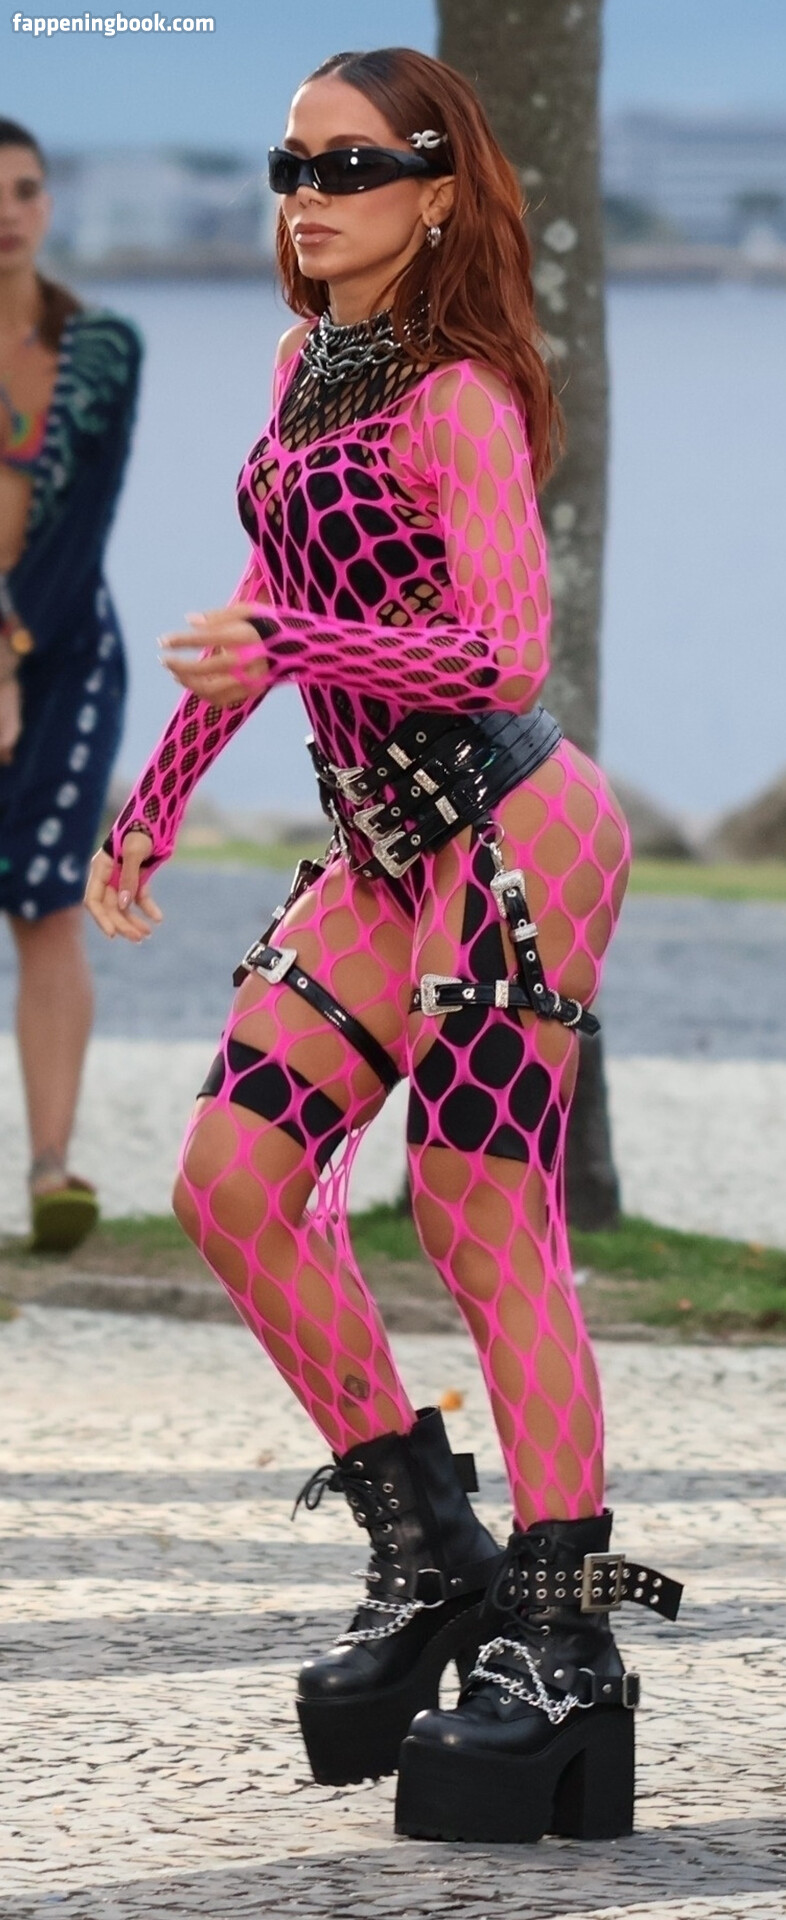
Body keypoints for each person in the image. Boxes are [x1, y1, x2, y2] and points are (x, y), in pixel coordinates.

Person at [86, 48, 681, 1844]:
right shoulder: (302, 373)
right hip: (380, 843)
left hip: (517, 831)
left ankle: (568, 1648)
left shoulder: (463, 400)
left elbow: (502, 654)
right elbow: (271, 616)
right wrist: (155, 799)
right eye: (289, 164)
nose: (307, 194)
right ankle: (432, 1556)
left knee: (478, 1206)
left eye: (350, 164)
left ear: (437, 192)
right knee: (231, 1181)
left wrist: (289, 655)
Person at [0, 117, 142, 1251]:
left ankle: (52, 1171)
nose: (7, 213)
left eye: (25, 190)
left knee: (47, 901)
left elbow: (82, 527)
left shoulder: (102, 350)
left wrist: (9, 653)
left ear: (49, 206)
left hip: (65, 655)